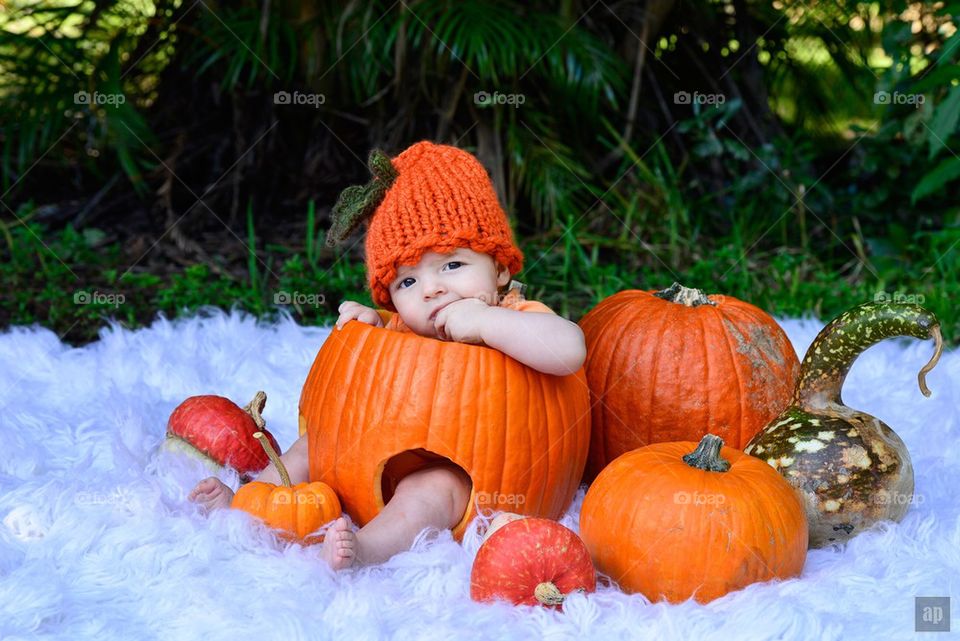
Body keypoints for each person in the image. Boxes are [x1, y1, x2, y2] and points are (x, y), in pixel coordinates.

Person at [188, 141, 586, 570]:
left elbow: (569, 351)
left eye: (452, 265)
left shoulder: (515, 315)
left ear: (501, 268)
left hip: (463, 473)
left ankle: (370, 549)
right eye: (408, 282)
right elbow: (373, 381)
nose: (431, 289)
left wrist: (487, 324)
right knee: (314, 446)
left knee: (430, 490)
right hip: (373, 458)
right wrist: (366, 330)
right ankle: (252, 504)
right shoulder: (400, 324)